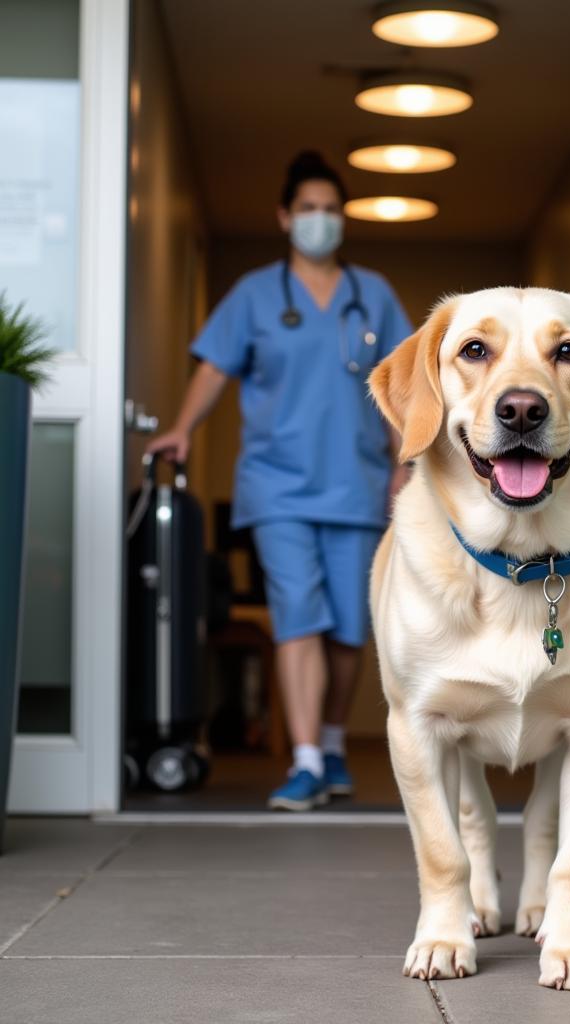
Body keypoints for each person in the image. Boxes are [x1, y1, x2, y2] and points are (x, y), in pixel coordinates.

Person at [148, 150, 412, 811]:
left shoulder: (371, 293)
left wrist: (407, 465)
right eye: (309, 210)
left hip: (358, 484)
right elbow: (214, 369)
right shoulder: (255, 295)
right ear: (285, 217)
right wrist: (183, 427)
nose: (320, 220)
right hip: (278, 486)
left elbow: (402, 389)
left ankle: (329, 744)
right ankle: (302, 763)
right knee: (299, 617)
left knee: (350, 630)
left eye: (331, 210)